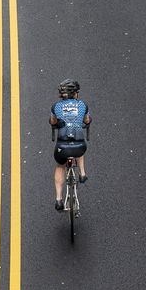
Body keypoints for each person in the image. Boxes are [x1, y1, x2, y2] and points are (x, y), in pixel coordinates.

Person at [50, 79, 89, 211]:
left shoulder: (56, 106)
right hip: (79, 146)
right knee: (79, 149)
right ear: (76, 93)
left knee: (60, 166)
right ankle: (82, 173)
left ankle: (59, 199)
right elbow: (87, 120)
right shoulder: (83, 105)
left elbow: (52, 121)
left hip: (62, 147)